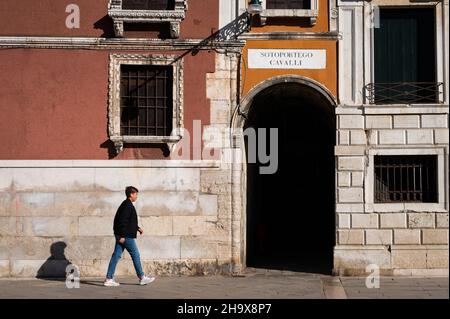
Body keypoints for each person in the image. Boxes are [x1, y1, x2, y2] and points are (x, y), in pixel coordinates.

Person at [104, 186, 155, 287]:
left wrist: (137, 228)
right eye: (136, 194)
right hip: (125, 236)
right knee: (135, 254)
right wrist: (122, 235)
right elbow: (122, 222)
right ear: (131, 194)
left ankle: (109, 278)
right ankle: (141, 277)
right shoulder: (127, 205)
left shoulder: (126, 204)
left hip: (122, 235)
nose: (137, 196)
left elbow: (128, 221)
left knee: (116, 255)